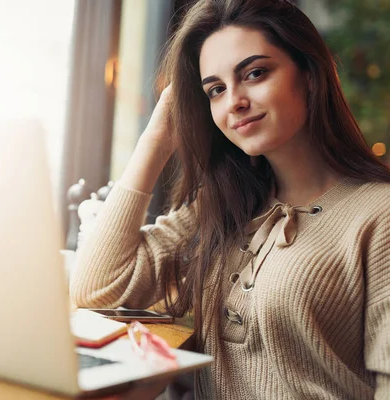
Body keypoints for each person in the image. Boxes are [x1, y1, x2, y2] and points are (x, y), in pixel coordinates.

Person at [70, 0, 390, 398]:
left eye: (255, 73)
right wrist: (156, 140)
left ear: (309, 75)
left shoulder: (380, 216)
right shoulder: (222, 205)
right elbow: (98, 287)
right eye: (215, 90)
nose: (234, 101)